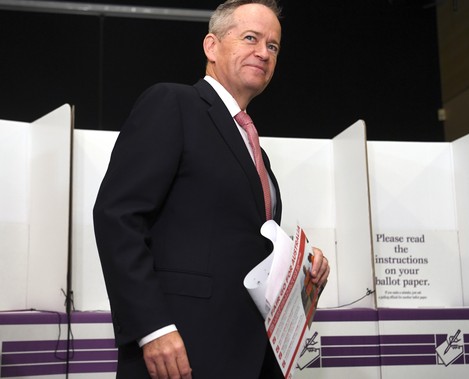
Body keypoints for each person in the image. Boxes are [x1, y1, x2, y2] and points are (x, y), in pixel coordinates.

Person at [92, 0, 330, 378]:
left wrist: (301, 269)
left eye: (273, 46)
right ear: (211, 46)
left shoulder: (256, 151)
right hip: (180, 350)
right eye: (250, 38)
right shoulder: (173, 103)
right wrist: (152, 329)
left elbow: (234, 243)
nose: (263, 53)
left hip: (248, 353)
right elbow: (117, 217)